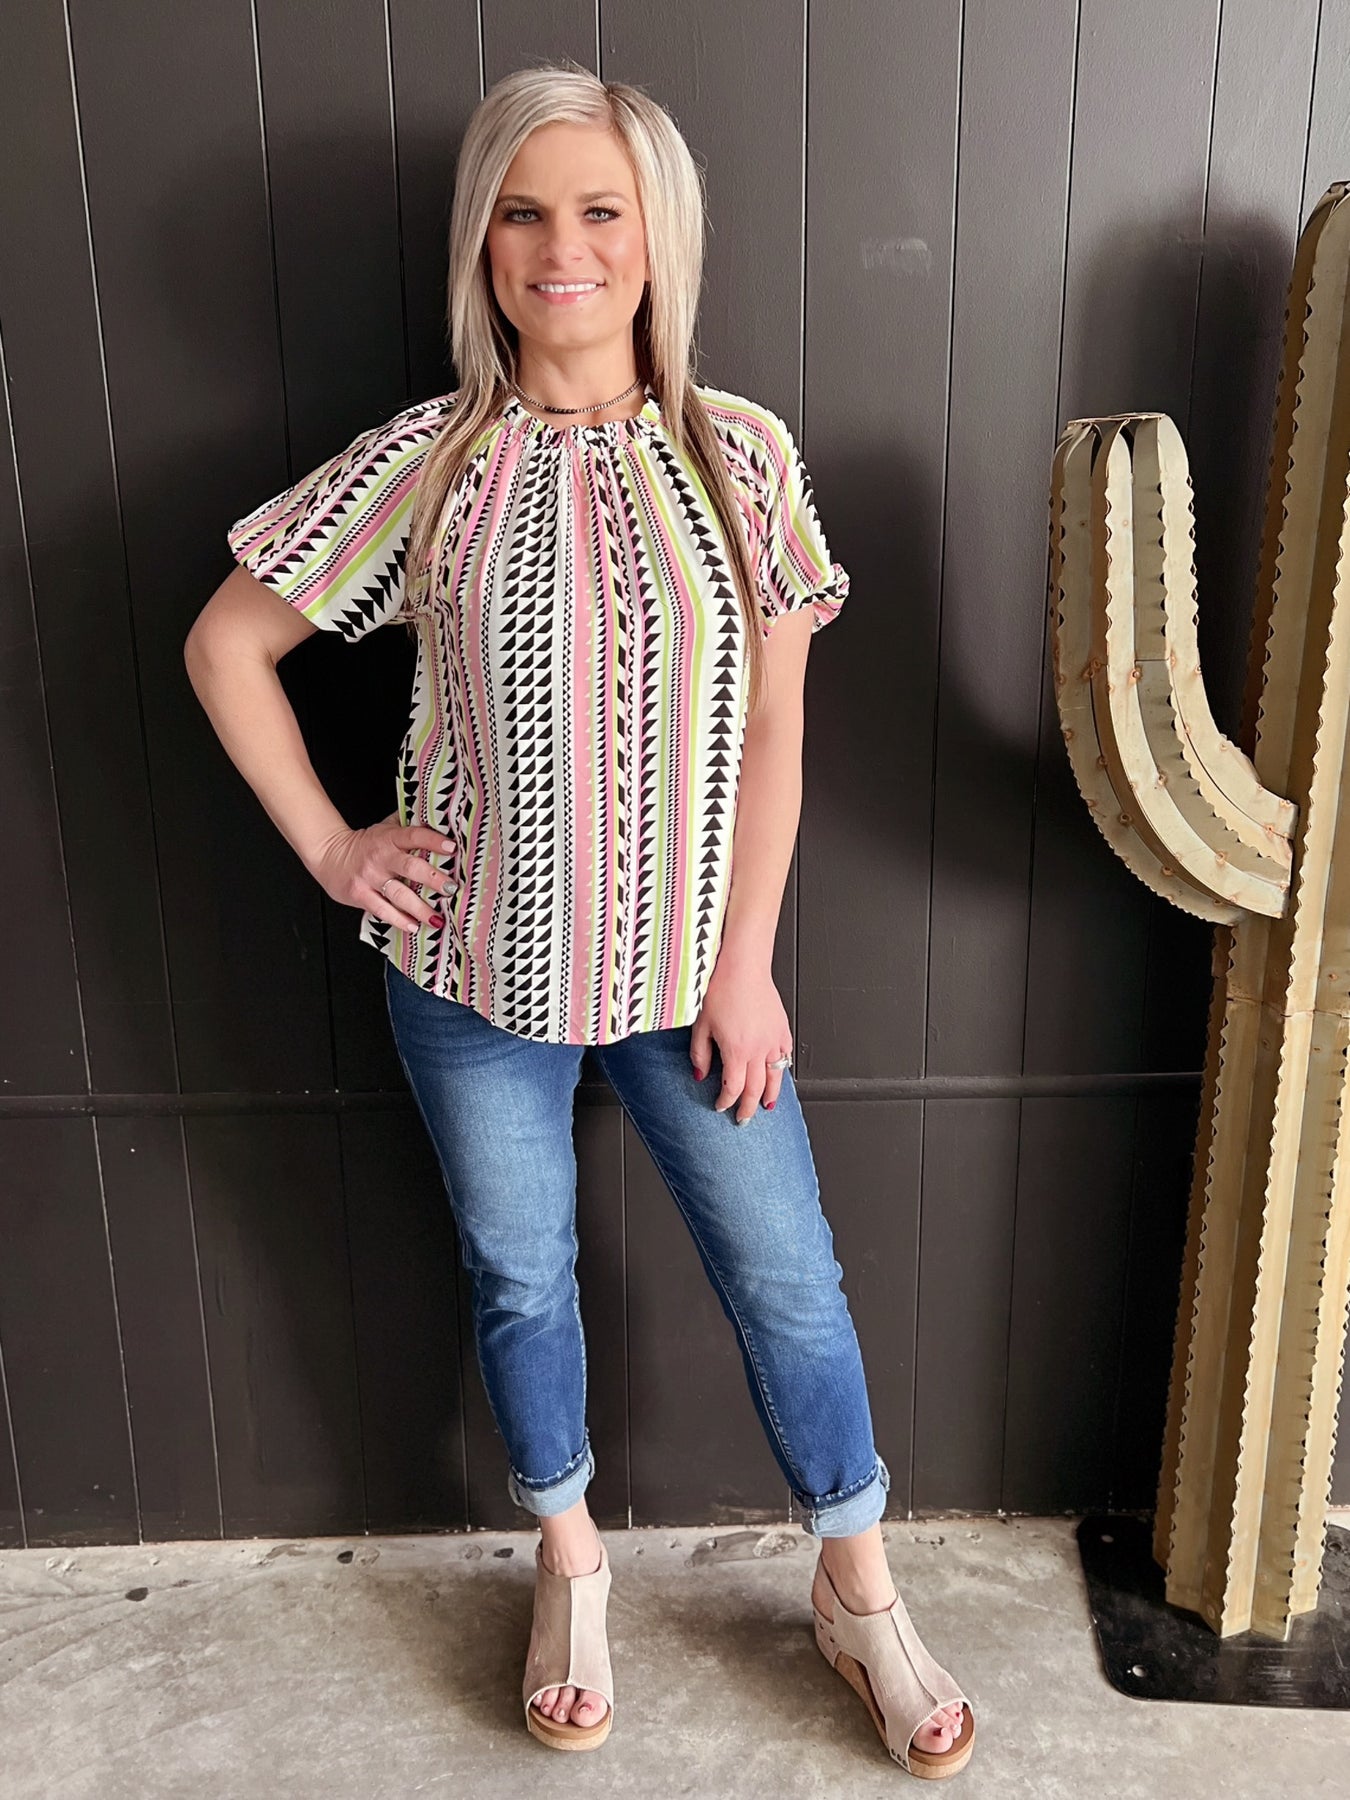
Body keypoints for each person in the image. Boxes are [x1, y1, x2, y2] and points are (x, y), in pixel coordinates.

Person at [185, 60, 973, 1780]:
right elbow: (227, 644)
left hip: (694, 981)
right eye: (524, 213)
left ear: (655, 236)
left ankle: (855, 1589)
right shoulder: (426, 462)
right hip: (468, 975)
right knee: (519, 1271)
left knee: (787, 1278)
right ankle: (569, 1566)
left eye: (601, 211)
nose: (563, 249)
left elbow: (776, 731)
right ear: (482, 242)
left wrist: (746, 963)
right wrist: (334, 848)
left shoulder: (737, 453)